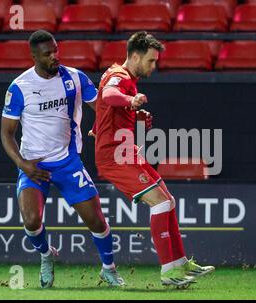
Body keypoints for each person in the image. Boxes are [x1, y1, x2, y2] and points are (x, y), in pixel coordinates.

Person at [0, 30, 125, 288]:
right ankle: (46, 255)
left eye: (56, 50)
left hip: (68, 162)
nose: (54, 56)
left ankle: (109, 268)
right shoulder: (20, 87)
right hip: (33, 164)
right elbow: (7, 134)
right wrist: (22, 164)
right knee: (31, 220)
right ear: (34, 56)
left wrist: (109, 123)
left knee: (96, 219)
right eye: (47, 54)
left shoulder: (76, 78)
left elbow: (102, 108)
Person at [90, 31, 215, 287]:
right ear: (135, 56)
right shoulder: (119, 76)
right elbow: (108, 97)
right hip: (114, 156)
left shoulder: (123, 76)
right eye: (150, 60)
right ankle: (168, 272)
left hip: (126, 150)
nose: (154, 66)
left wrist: (135, 114)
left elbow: (109, 108)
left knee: (168, 200)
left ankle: (180, 263)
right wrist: (130, 99)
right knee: (159, 203)